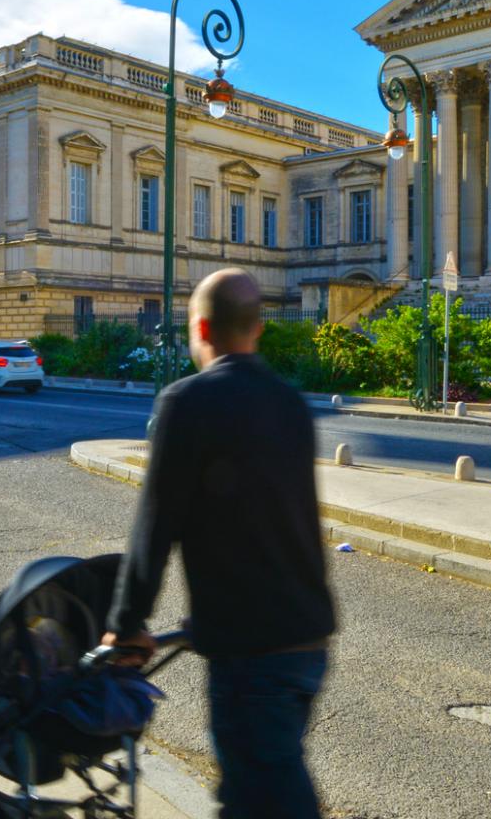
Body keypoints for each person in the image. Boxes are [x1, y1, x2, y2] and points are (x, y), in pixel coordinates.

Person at [103, 268, 336, 819]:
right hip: (309, 637)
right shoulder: (290, 402)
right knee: (265, 787)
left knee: (262, 796)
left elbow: (156, 525)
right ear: (257, 328)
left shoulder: (188, 401)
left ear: (202, 328)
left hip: (251, 649)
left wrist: (127, 621)